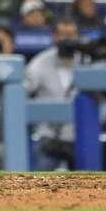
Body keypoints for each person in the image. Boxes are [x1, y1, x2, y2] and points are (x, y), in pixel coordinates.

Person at [24, 17, 84, 171]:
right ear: (55, 37)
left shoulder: (86, 61)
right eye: (64, 35)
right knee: (41, 186)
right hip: (48, 136)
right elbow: (21, 93)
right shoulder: (40, 62)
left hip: (80, 137)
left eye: (72, 35)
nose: (68, 40)